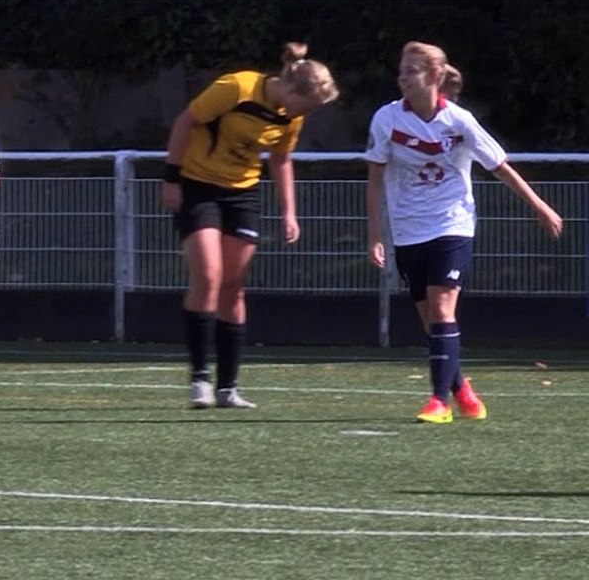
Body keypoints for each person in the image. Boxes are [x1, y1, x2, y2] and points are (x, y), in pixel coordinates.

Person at [364, 41, 563, 424]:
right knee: (432, 322)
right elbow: (374, 179)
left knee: (442, 308)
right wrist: (375, 234)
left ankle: (439, 401)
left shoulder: (459, 121)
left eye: (412, 71)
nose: (402, 78)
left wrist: (540, 206)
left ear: (435, 77)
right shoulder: (386, 120)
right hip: (408, 230)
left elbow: (500, 166)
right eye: (402, 70)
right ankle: (460, 388)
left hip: (452, 224)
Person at [162, 43, 339, 409]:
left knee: (233, 286)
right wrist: (171, 179)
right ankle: (200, 380)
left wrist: (289, 212)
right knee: (208, 276)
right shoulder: (237, 87)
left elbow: (281, 160)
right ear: (292, 90)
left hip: (242, 195)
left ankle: (228, 387)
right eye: (307, 106)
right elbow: (186, 121)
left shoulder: (292, 116)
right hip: (199, 185)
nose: (307, 114)